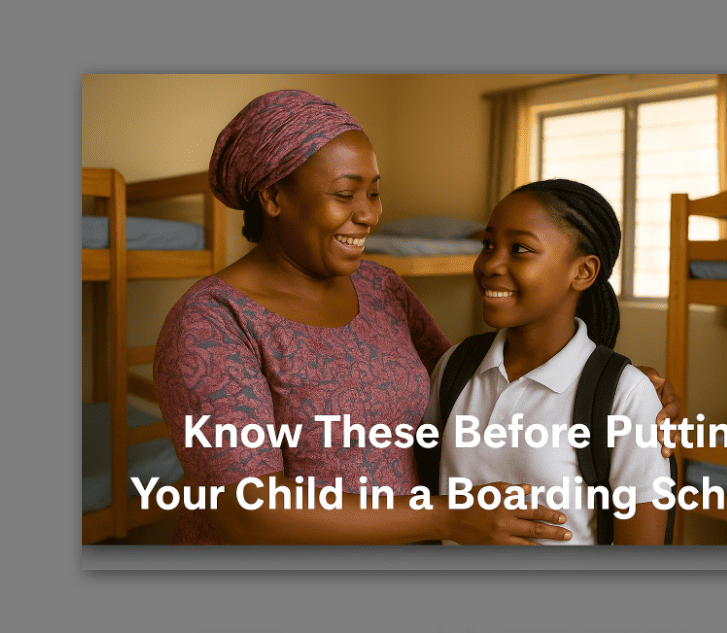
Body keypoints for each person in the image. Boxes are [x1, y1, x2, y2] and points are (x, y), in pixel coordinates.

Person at [154, 89, 678, 545]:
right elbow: (249, 513)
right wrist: (446, 518)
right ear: (272, 196)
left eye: (375, 191)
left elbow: (470, 383)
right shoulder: (212, 323)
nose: (369, 214)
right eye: (345, 193)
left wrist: (617, 387)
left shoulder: (382, 289)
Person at [424, 179, 670, 545]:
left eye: (520, 249)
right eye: (488, 245)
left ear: (582, 272)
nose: (491, 263)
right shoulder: (455, 366)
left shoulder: (625, 395)